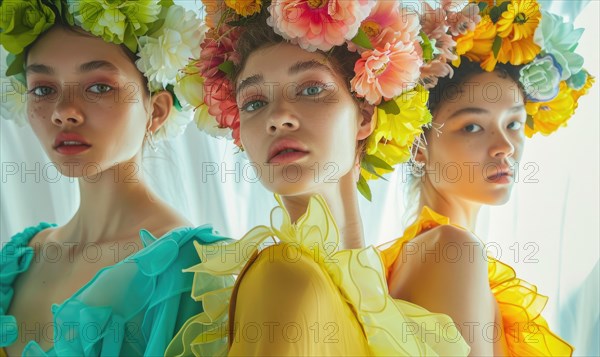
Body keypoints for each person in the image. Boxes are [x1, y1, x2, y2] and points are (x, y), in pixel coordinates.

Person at [166, 1, 470, 356]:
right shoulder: (284, 277)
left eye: (311, 89)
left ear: (364, 116)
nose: (277, 118)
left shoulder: (390, 304)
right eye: (253, 103)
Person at [0, 1, 232, 355]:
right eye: (44, 89)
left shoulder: (191, 272)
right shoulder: (16, 260)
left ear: (155, 110)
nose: (64, 112)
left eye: (99, 88)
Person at [379, 1, 593, 355]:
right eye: (473, 126)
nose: (504, 147)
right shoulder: (452, 250)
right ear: (418, 144)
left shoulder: (429, 251)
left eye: (513, 124)